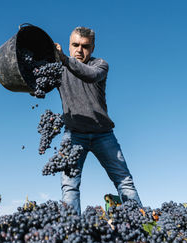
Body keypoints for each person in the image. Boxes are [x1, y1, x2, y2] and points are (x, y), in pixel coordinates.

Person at [54, 26, 142, 215]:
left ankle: (141, 224)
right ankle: (71, 232)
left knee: (124, 181)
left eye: (85, 46)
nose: (79, 50)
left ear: (92, 48)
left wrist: (64, 59)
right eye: (75, 45)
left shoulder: (100, 65)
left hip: (103, 135)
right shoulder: (58, 69)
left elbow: (90, 75)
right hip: (73, 135)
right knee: (69, 186)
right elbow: (37, 85)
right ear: (69, 46)